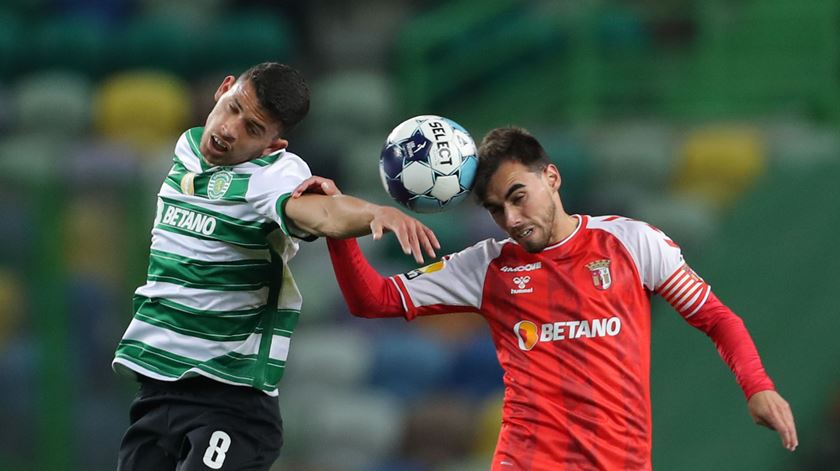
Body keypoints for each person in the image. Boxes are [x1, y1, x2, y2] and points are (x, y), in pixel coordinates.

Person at [299, 126, 798, 470]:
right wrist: (341, 229)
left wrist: (758, 386)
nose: (511, 219)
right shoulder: (486, 265)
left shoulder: (631, 242)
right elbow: (375, 300)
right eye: (496, 210)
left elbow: (714, 317)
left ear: (552, 177)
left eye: (518, 197)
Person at [111, 62, 438, 471]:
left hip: (230, 404)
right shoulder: (187, 149)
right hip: (157, 391)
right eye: (233, 109)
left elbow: (320, 212)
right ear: (223, 88)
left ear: (273, 144)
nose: (229, 130)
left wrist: (373, 213)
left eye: (252, 129)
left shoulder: (273, 175)